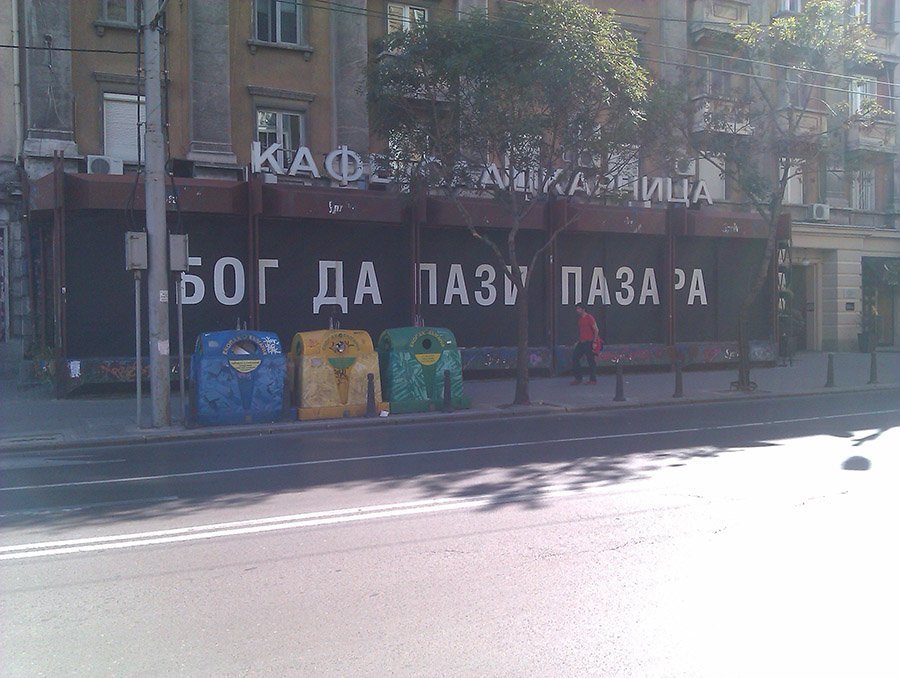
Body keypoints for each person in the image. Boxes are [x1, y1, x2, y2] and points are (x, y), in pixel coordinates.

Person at [572, 303, 599, 385]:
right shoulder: (580, 320)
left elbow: (596, 330)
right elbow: (582, 332)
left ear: (583, 309)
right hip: (582, 342)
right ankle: (578, 378)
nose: (577, 310)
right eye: (577, 309)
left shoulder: (589, 318)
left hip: (589, 342)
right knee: (575, 358)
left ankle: (593, 380)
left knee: (591, 361)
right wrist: (578, 341)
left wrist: (594, 342)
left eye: (578, 308)